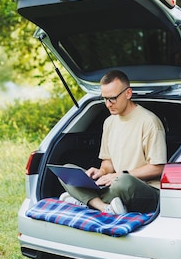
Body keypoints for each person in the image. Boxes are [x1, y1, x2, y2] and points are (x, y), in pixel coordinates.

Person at [60, 69, 167, 215]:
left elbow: (158, 167)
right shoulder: (109, 122)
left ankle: (85, 200)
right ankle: (104, 207)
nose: (108, 104)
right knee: (67, 172)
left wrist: (119, 175)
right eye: (104, 99)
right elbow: (108, 161)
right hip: (113, 184)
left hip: (142, 188)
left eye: (112, 98)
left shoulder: (149, 122)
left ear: (128, 93)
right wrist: (101, 172)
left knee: (124, 182)